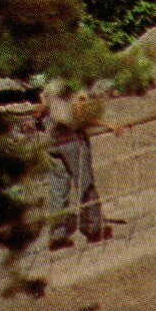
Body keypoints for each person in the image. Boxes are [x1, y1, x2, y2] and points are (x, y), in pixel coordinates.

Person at [36, 77, 124, 250]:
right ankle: (94, 228)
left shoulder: (51, 85)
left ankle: (57, 234)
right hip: (72, 141)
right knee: (85, 184)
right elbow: (80, 114)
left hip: (52, 140)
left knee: (58, 188)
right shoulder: (75, 85)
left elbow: (39, 112)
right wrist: (109, 125)